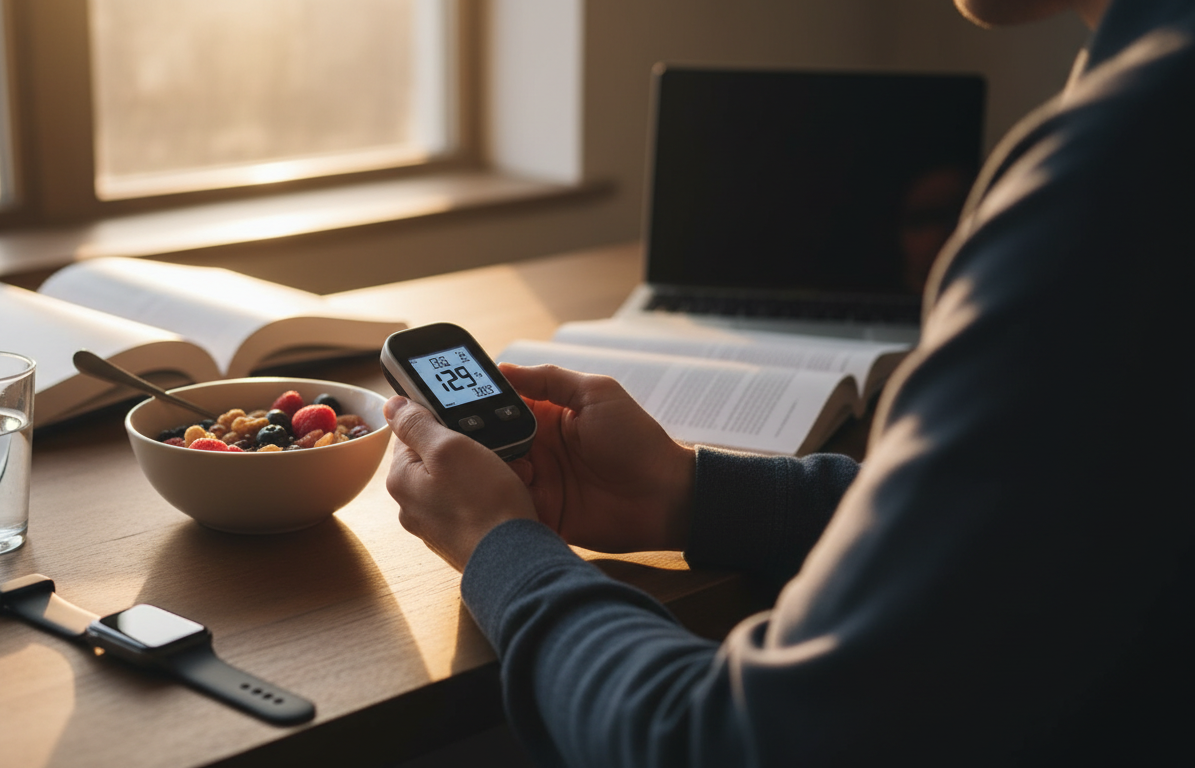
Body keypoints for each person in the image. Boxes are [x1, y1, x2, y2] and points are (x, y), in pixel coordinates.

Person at [383, 0, 1195, 764]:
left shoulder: (1120, 171)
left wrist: (503, 552)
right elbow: (1038, 523)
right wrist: (684, 493)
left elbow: (734, 743)